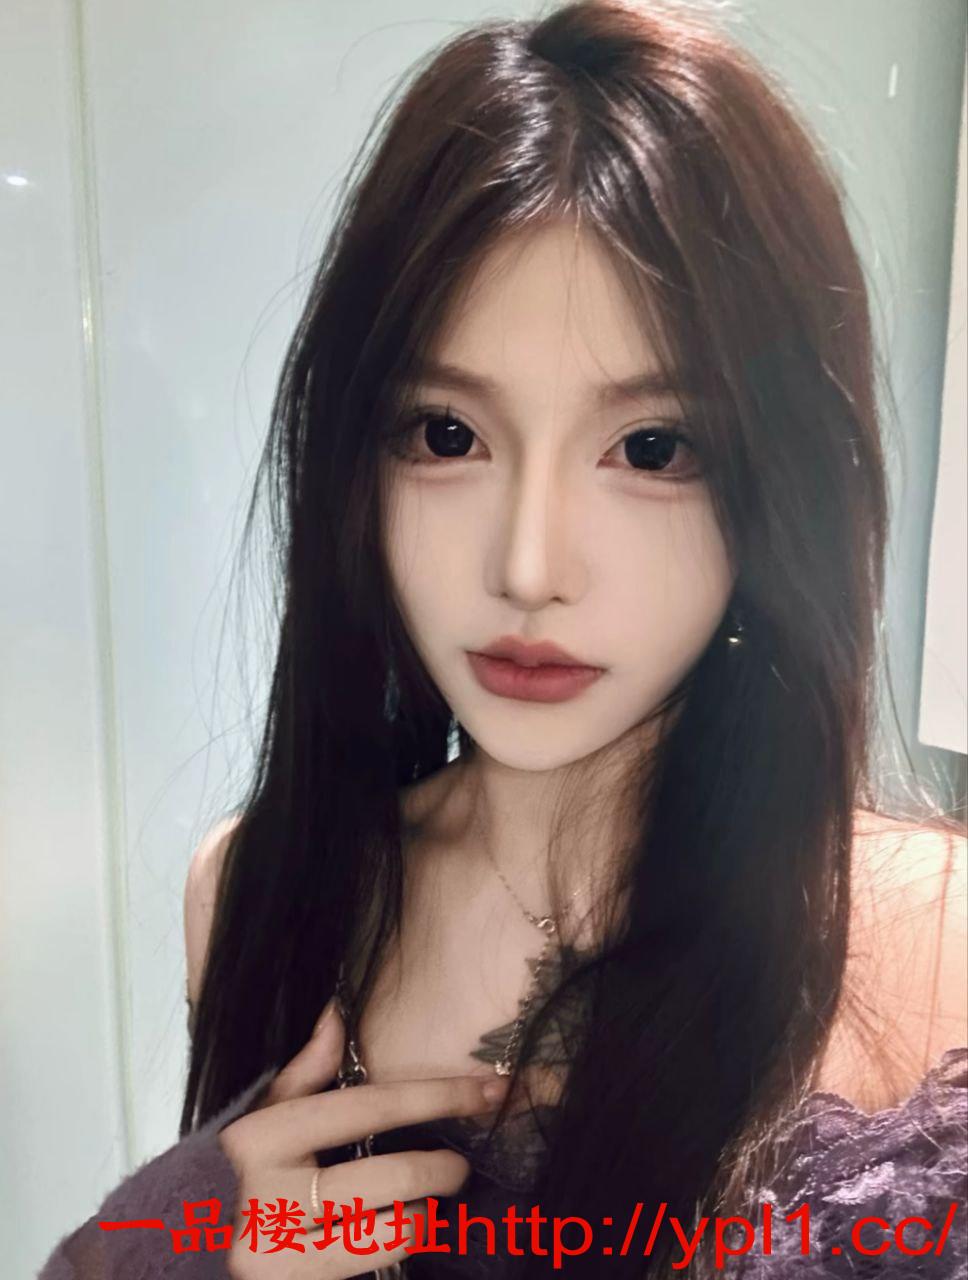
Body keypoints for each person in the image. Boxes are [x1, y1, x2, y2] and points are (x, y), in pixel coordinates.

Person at [40, 1, 967, 1277]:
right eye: (446, 435)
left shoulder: (940, 932)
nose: (526, 567)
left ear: (782, 480)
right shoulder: (263, 882)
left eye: (650, 448)